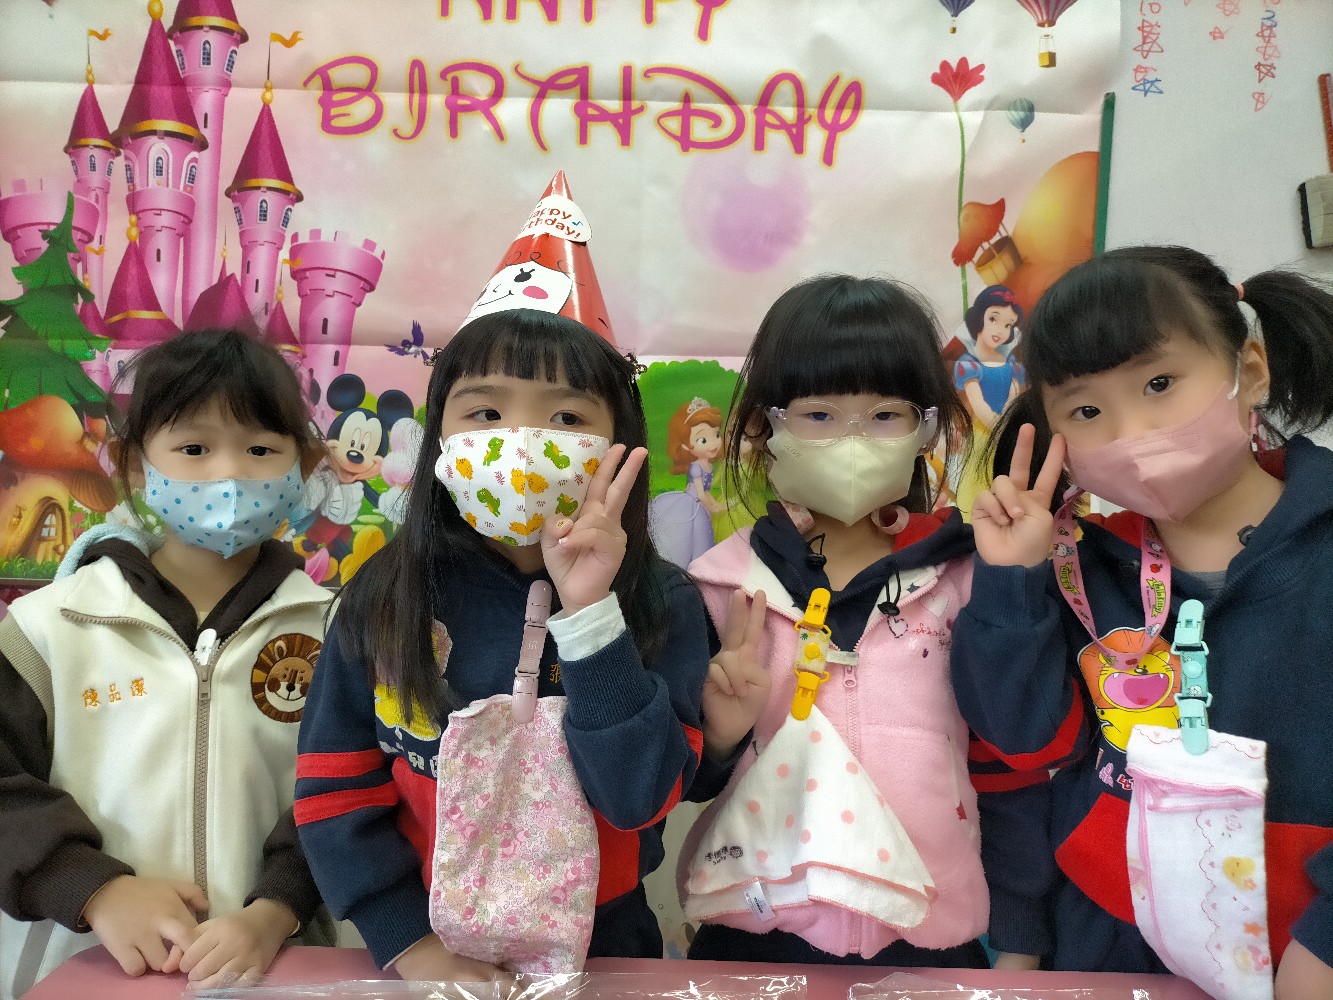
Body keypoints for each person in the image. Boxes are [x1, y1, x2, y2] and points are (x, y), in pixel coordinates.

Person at [953, 246, 1333, 998]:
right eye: (1087, 411)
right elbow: (1021, 740)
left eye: (1159, 384)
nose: (1131, 431)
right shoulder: (1076, 566)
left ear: (1250, 369)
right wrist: (1012, 579)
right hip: (1109, 949)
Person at [294, 309, 716, 981]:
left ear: (619, 442)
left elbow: (640, 798)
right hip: (428, 952)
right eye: (485, 413)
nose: (519, 445)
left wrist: (590, 615)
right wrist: (409, 944)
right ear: (438, 437)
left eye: (567, 418)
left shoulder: (663, 601)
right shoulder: (387, 595)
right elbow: (335, 790)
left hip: (609, 953)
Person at [679, 274, 1051, 969]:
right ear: (765, 427)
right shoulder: (719, 587)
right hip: (750, 941)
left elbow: (1011, 764)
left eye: (884, 415)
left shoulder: (969, 578)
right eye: (818, 415)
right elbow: (677, 784)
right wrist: (721, 740)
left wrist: (1021, 941)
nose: (852, 439)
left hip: (933, 944)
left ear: (926, 428)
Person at [0, 328, 333, 999]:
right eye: (194, 448)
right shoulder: (49, 627)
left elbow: (354, 795)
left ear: (303, 465)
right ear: (132, 464)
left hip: (281, 970)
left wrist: (276, 909)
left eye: (260, 449)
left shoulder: (337, 631)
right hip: (85, 974)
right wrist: (93, 888)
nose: (229, 473)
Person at [648, 397, 726, 568]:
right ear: (685, 446)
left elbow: (706, 492)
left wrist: (714, 504)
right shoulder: (696, 467)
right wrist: (712, 507)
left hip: (699, 504)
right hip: (691, 504)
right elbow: (700, 494)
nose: (713, 444)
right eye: (702, 440)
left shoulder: (707, 465)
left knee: (701, 540)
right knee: (690, 539)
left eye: (716, 435)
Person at [953, 284, 1025, 431]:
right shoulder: (968, 364)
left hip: (1009, 427)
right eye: (993, 319)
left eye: (1008, 325)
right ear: (979, 318)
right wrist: (999, 432)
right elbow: (978, 405)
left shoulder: (1011, 362)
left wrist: (1010, 427)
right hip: (986, 431)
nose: (1000, 330)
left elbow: (1014, 397)